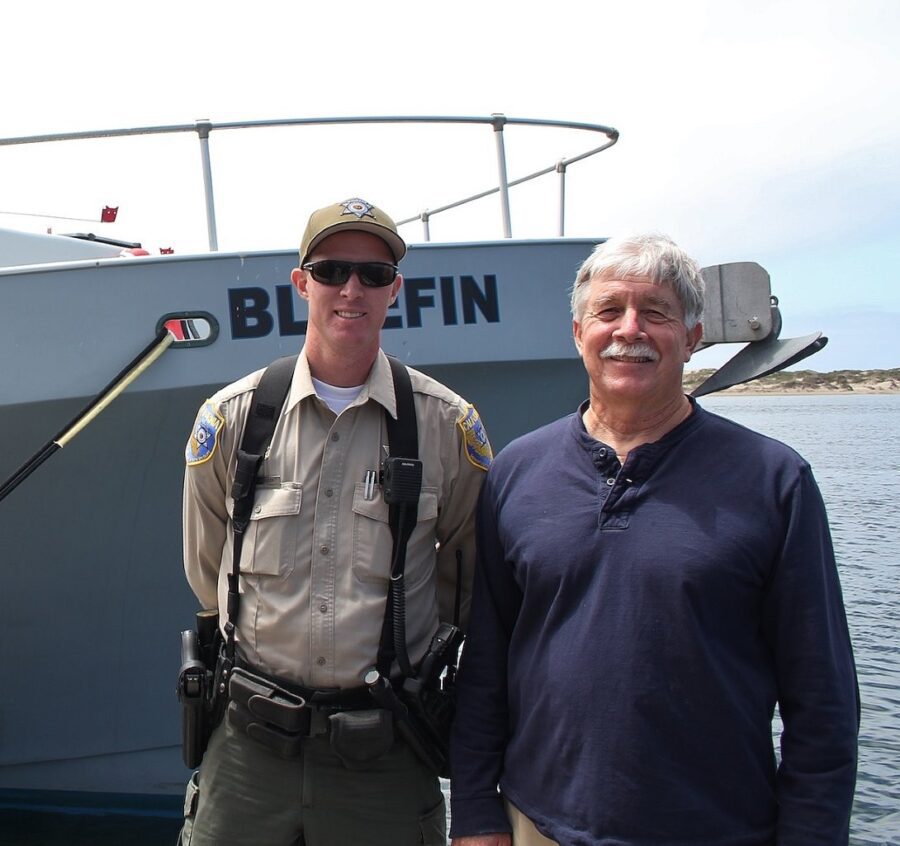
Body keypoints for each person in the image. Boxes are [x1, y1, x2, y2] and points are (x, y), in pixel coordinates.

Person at [449, 234, 859, 846]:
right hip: (538, 825)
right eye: (609, 311)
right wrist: (478, 813)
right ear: (577, 332)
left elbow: (822, 699)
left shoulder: (775, 481)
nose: (629, 330)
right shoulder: (517, 471)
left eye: (657, 313)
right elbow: (487, 663)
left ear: (692, 337)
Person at [178, 197, 492, 846]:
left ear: (394, 291)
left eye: (373, 276)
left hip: (383, 756)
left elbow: (465, 583)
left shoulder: (444, 425)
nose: (352, 289)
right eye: (331, 272)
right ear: (301, 284)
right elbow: (208, 569)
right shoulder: (234, 419)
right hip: (248, 757)